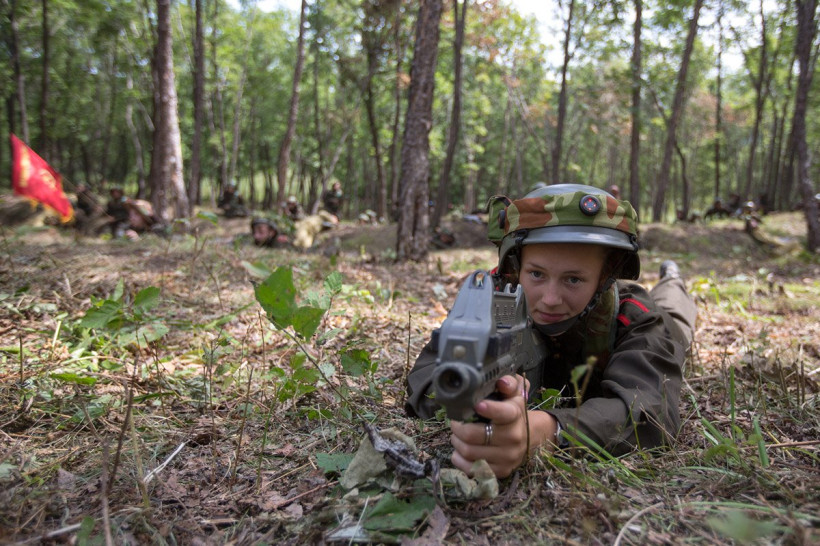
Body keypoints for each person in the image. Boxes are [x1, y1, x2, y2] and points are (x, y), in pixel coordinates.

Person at [404, 184, 697, 479]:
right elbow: (426, 375)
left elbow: (652, 414)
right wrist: (477, 398)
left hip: (668, 326)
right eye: (536, 274)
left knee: (675, 310)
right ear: (516, 266)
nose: (550, 299)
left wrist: (549, 431)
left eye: (573, 279)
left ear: (604, 277)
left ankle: (672, 279)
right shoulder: (493, 300)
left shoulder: (633, 314)